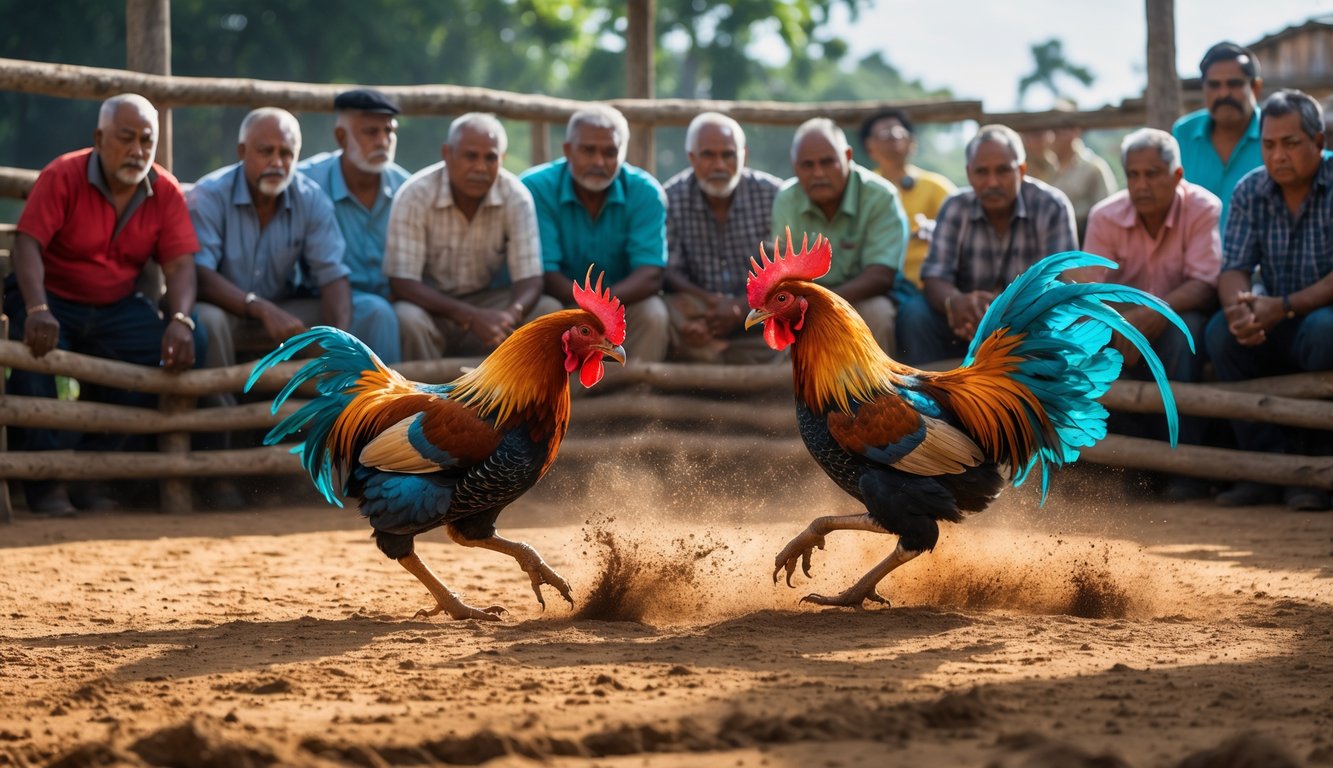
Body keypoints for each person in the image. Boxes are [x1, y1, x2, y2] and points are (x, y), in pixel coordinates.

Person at [3, 93, 202, 516]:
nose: (137, 151)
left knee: (167, 353)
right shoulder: (63, 174)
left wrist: (181, 319)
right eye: (126, 138)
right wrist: (38, 309)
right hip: (50, 298)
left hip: (115, 307)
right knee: (31, 363)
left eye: (146, 141)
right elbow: (27, 244)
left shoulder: (164, 190)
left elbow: (181, 264)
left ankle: (90, 475)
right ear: (99, 137)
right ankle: (45, 485)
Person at [189, 107, 398, 368]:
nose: (277, 162)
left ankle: (362, 403)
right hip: (226, 307)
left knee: (372, 311)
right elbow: (199, 275)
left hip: (284, 306)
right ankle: (218, 404)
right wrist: (261, 308)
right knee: (208, 319)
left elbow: (332, 275)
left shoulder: (310, 197)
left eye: (286, 153)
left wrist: (338, 343)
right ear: (242, 152)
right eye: (266, 152)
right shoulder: (210, 195)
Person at [1076, 128, 1222, 500]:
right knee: (1088, 340)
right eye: (1134, 175)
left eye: (1152, 174)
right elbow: (1088, 293)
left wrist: (1155, 312)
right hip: (1121, 325)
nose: (1142, 184)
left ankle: (1185, 469)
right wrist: (1131, 319)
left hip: (1179, 321)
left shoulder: (1203, 207)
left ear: (1176, 176)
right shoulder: (1106, 216)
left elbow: (1206, 284)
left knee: (1183, 331)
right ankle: (1133, 467)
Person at [1205, 90, 1333, 512]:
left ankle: (1315, 471)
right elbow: (1235, 267)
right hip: (1275, 317)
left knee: (1324, 330)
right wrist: (1238, 309)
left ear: (1318, 142)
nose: (1278, 155)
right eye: (1269, 144)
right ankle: (1261, 469)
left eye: (1291, 143)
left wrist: (1286, 305)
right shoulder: (1250, 189)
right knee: (1221, 334)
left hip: (1315, 319)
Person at [897, 124, 1077, 366]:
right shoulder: (955, 206)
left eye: (1003, 171)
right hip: (965, 323)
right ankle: (928, 400)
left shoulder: (1051, 205)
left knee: (1060, 318)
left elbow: (1059, 284)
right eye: (982, 172)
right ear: (970, 174)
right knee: (914, 314)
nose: (992, 182)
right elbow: (934, 277)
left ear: (1021, 170)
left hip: (1029, 321)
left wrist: (999, 315)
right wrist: (956, 303)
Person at [385, 113, 559, 360]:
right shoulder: (416, 194)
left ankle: (516, 397)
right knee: (407, 318)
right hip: (430, 306)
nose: (480, 167)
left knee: (547, 310)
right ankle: (423, 396)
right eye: (470, 156)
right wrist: (470, 316)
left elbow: (530, 278)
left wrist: (511, 314)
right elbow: (402, 282)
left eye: (490, 158)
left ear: (502, 159)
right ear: (447, 153)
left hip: (488, 303)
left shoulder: (516, 196)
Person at [521, 105, 669, 363]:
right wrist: (589, 312)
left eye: (610, 152)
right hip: (561, 299)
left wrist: (603, 311)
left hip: (623, 302)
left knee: (653, 313)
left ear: (623, 153)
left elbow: (650, 274)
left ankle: (638, 396)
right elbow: (543, 273)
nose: (599, 161)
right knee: (545, 310)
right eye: (588, 150)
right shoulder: (535, 187)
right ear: (567, 150)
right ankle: (554, 399)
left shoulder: (645, 192)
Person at [770, 117, 907, 355]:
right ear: (795, 166)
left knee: (878, 313)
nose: (818, 173)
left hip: (862, 297)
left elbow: (881, 276)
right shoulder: (786, 199)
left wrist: (822, 304)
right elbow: (783, 273)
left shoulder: (881, 196)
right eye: (807, 165)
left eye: (827, 162)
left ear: (847, 156)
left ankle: (879, 391)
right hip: (805, 300)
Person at [298, 88, 409, 363]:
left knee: (406, 316)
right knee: (377, 312)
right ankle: (386, 406)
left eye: (389, 131)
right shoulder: (306, 184)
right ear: (341, 137)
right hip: (321, 297)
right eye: (371, 132)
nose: (383, 140)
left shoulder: (406, 188)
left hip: (392, 297)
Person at [662, 112, 782, 363]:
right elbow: (669, 270)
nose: (719, 165)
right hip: (701, 308)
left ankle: (717, 362)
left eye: (728, 155)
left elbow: (783, 271)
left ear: (743, 155)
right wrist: (713, 303)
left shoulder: (774, 195)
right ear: (692, 158)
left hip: (760, 308)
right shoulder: (670, 198)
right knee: (662, 310)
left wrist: (740, 307)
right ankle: (727, 362)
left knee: (795, 309)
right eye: (708, 155)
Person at [859, 108, 956, 305]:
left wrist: (936, 229)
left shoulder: (936, 187)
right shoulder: (861, 189)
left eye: (898, 132)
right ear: (870, 146)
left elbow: (962, 225)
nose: (893, 138)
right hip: (872, 286)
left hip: (924, 289)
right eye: (884, 134)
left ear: (912, 142)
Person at [1172, 41, 1264, 233]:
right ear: (1203, 89)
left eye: (1234, 84)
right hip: (1193, 261)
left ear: (1255, 87)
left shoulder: (1275, 134)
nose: (1224, 93)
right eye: (1214, 85)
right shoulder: (1183, 134)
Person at [1048, 108, 1117, 241]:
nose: (1053, 137)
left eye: (1059, 131)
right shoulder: (1048, 169)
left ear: (1075, 132)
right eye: (1052, 131)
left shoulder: (1094, 167)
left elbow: (1108, 215)